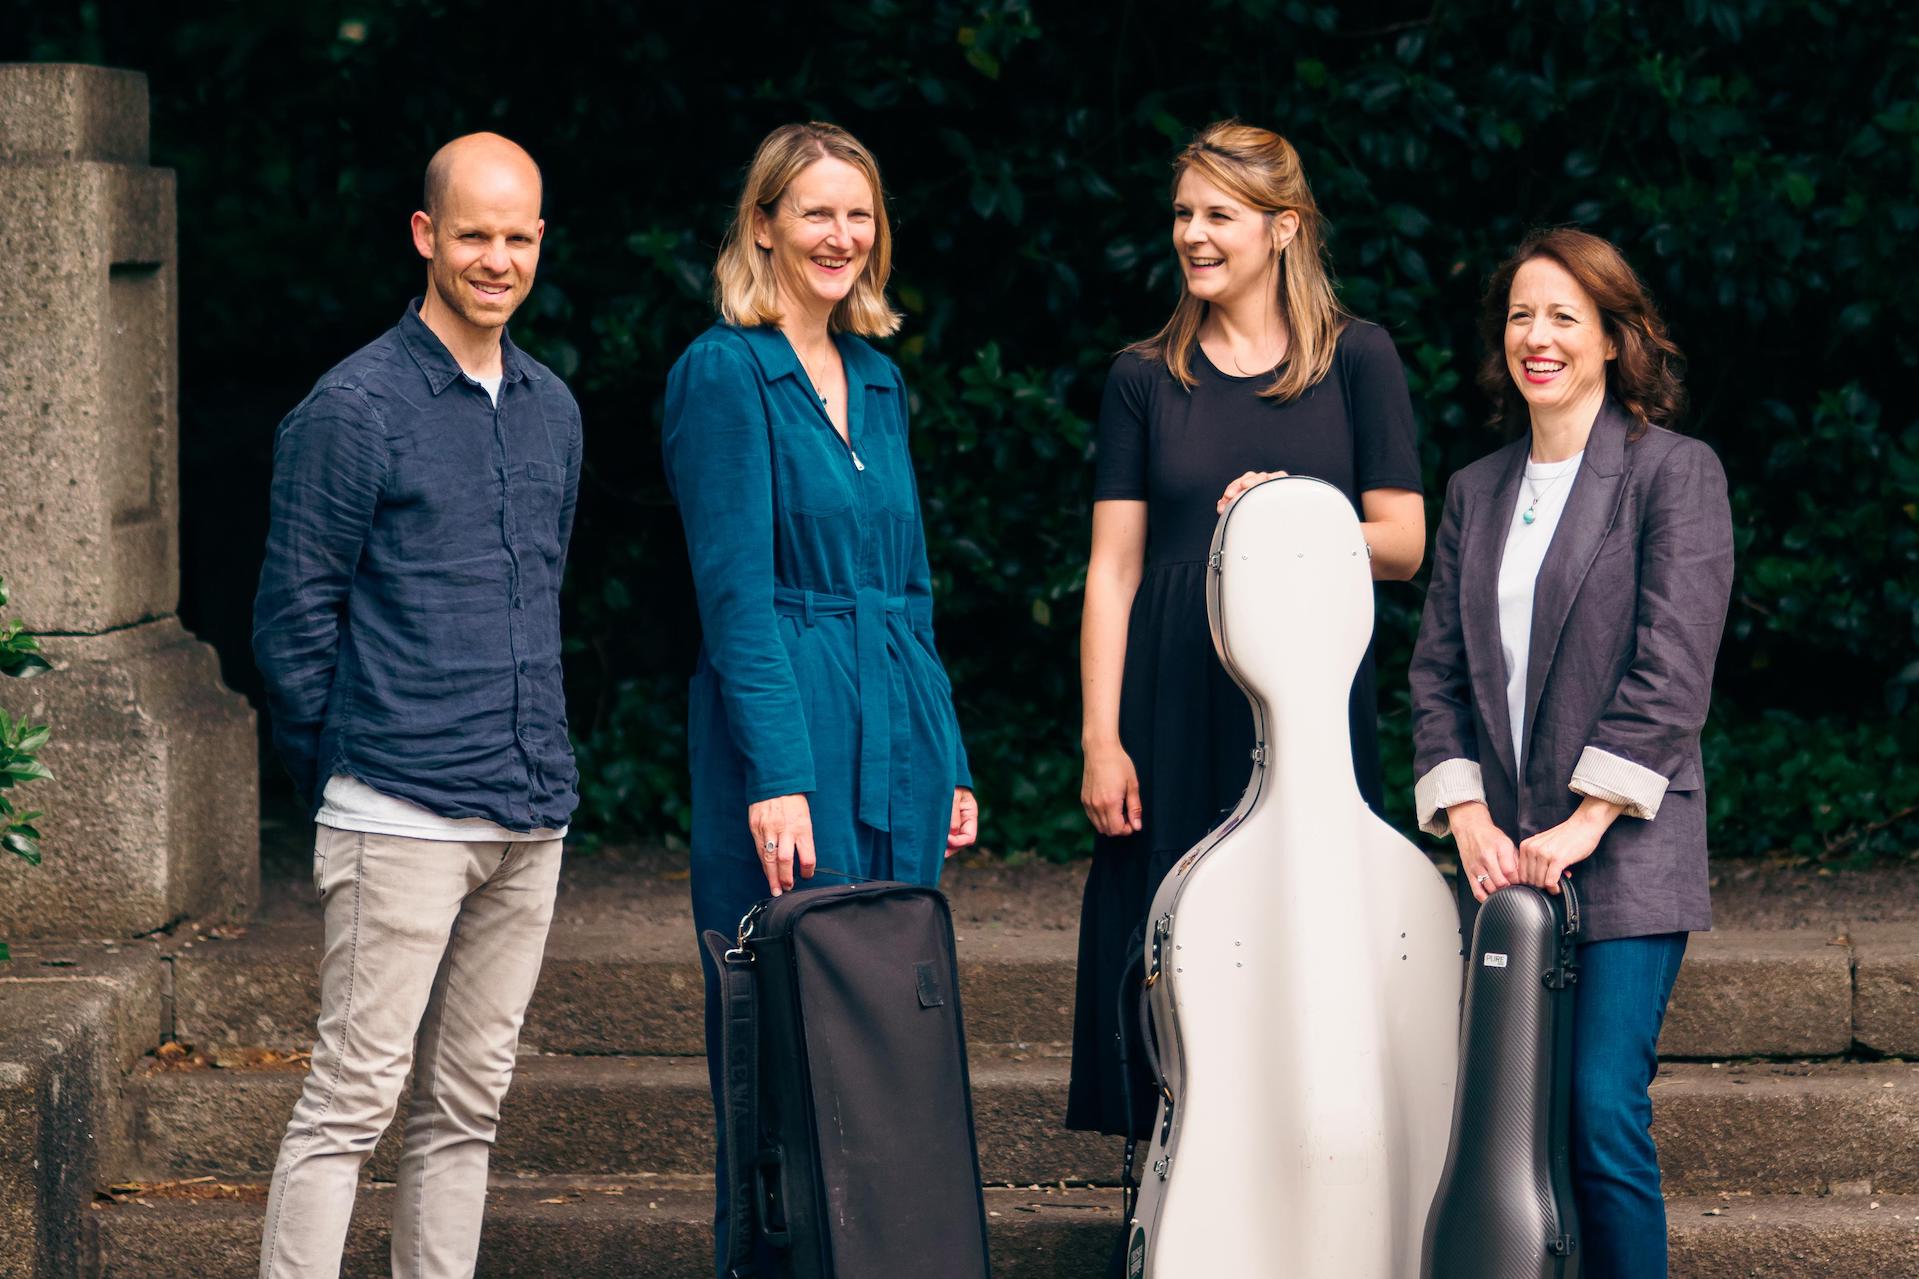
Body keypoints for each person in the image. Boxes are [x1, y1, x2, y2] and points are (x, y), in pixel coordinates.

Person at [251, 133, 581, 1279]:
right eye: (472, 234)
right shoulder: (353, 407)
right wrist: (350, 774)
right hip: (396, 811)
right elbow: (292, 625)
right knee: (348, 1103)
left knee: (467, 1112)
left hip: (530, 813)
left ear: (539, 240)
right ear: (425, 235)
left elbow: (538, 598)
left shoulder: (551, 408)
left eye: (515, 236)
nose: (495, 258)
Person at [1069, 120, 1427, 1141]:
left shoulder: (1357, 360)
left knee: (1299, 941)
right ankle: (1170, 1208)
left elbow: (1400, 542)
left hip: (1306, 702)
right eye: (1182, 213)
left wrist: (1292, 514)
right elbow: (1113, 569)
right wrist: (1101, 738)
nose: (1192, 234)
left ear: (1281, 227)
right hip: (1169, 699)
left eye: (1217, 214)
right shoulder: (1142, 375)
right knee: (1168, 954)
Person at [661, 121, 977, 1273]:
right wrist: (779, 774)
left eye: (858, 215)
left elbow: (911, 587)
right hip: (790, 729)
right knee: (788, 1047)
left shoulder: (881, 379)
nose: (840, 236)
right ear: (762, 225)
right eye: (814, 213)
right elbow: (734, 599)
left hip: (895, 731)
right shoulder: (721, 371)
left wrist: (947, 753)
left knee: (892, 1033)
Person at [1408, 227, 1733, 1279]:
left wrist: (1585, 817)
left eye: (1561, 316)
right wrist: (1466, 819)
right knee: (1520, 1134)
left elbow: (1671, 665)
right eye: (1517, 315)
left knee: (1597, 1116)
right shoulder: (1474, 489)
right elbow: (1438, 673)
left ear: (1609, 336)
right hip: (1504, 862)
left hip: (1626, 856)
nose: (1535, 337)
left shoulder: (1670, 474)